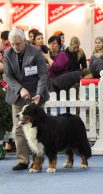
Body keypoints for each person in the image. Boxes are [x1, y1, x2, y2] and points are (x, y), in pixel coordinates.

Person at [3, 28, 49, 170]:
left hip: (36, 95)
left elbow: (43, 75)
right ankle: (23, 160)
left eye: (18, 43)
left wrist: (39, 94)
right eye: (12, 44)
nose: (15, 47)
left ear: (24, 41)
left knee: (38, 128)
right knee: (18, 128)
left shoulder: (36, 52)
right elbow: (8, 76)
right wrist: (20, 89)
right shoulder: (7, 53)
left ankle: (37, 161)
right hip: (17, 95)